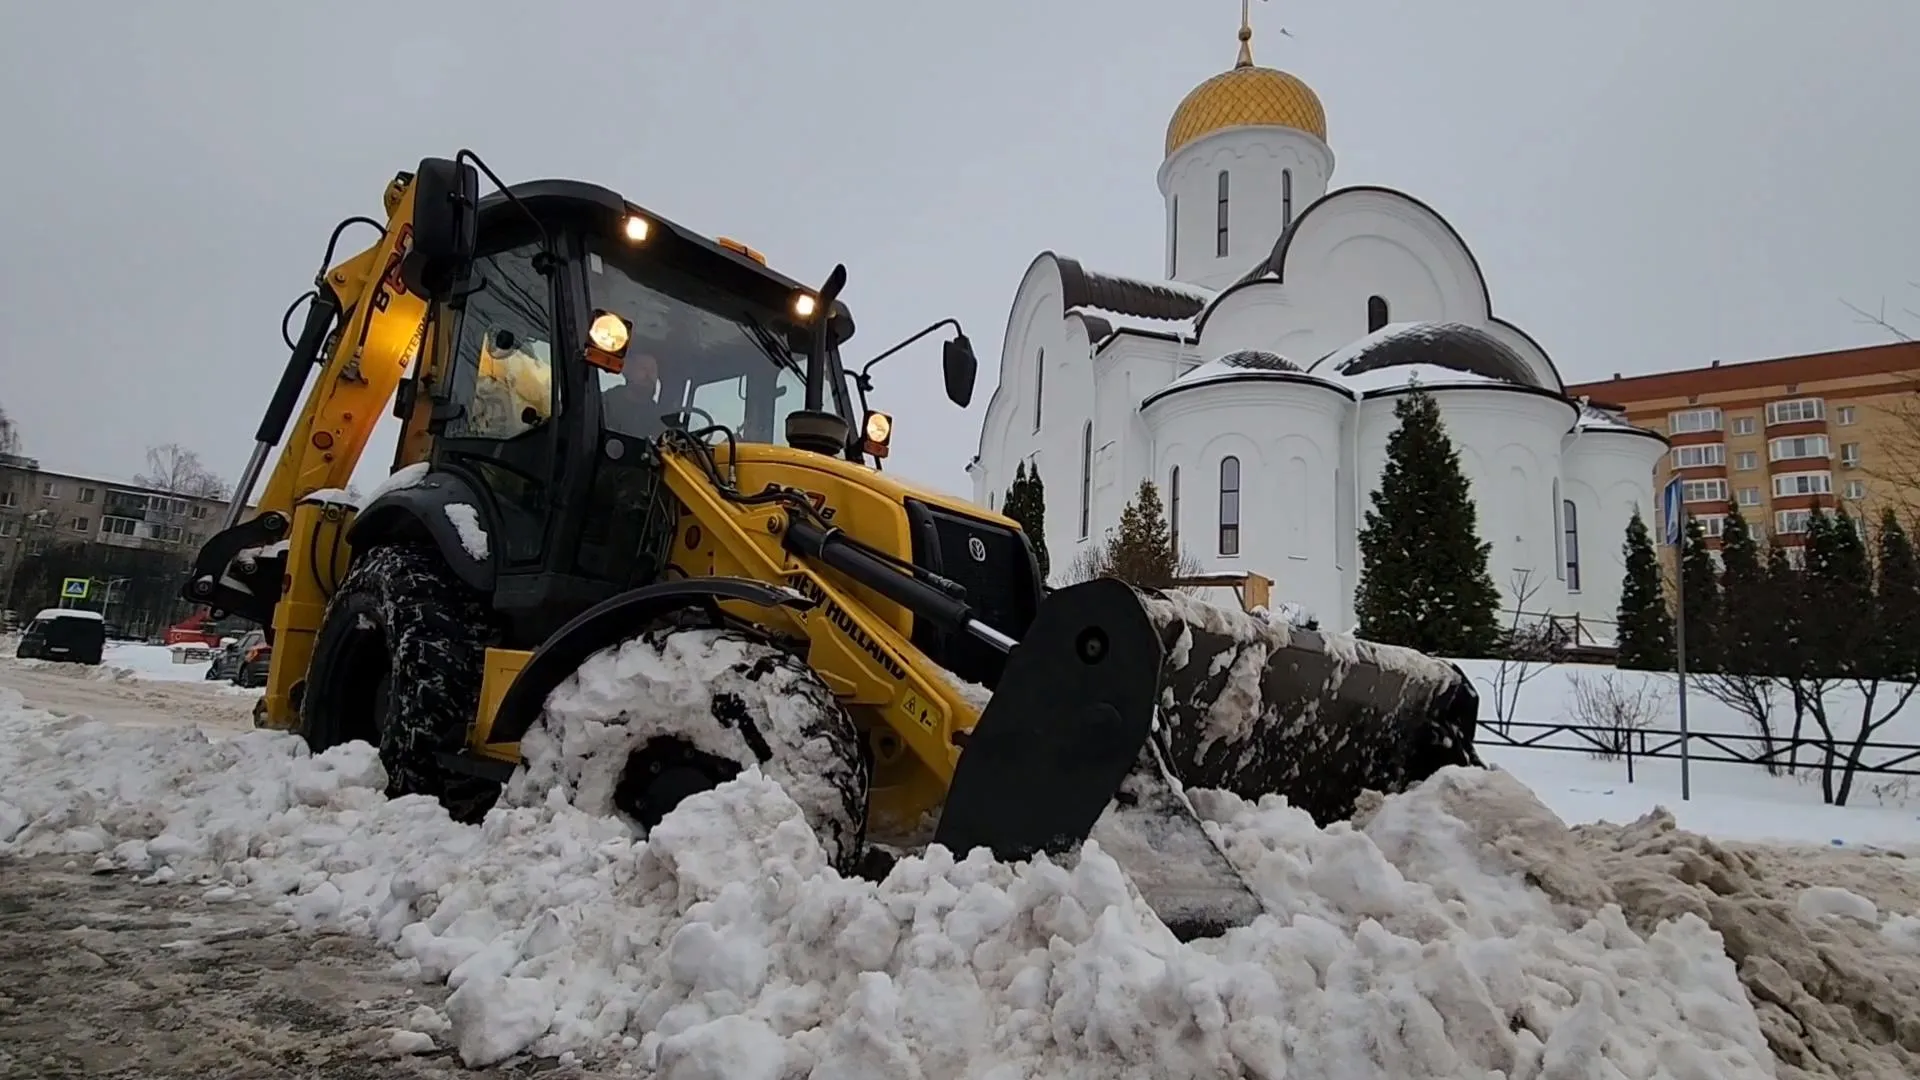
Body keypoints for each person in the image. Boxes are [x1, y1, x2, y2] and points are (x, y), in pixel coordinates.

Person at [600, 351, 663, 436]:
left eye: (653, 371)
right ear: (628, 371)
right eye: (643, 368)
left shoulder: (658, 417)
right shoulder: (606, 401)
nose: (649, 375)